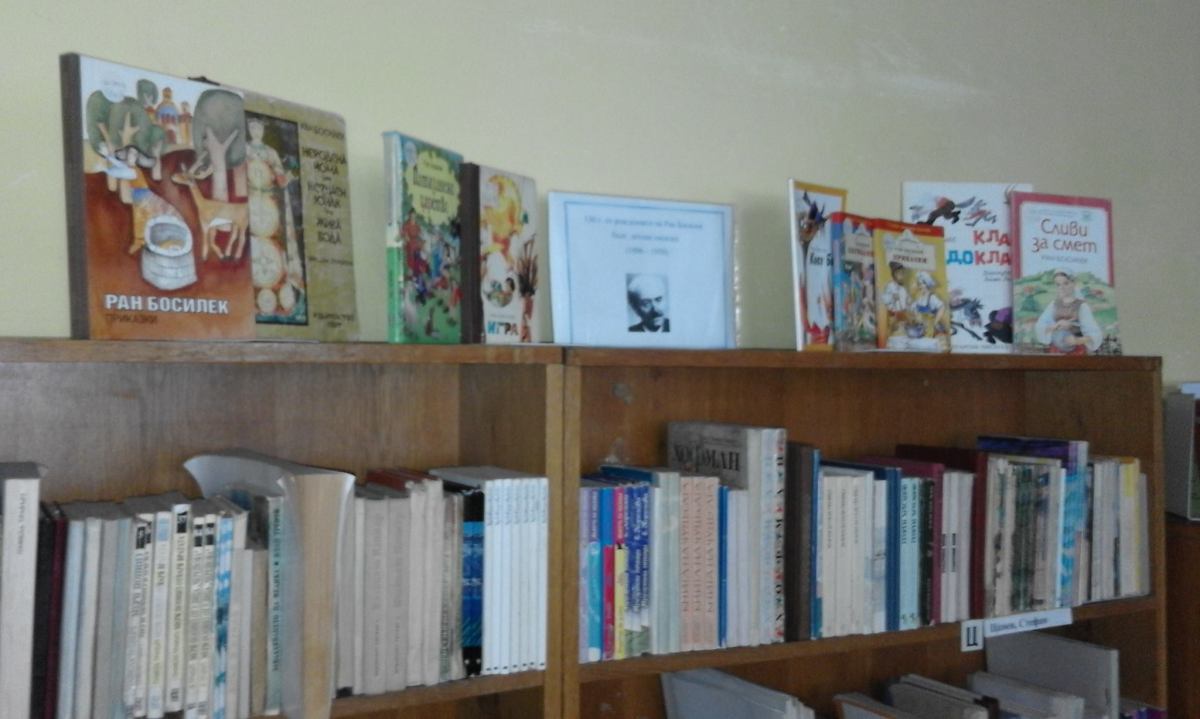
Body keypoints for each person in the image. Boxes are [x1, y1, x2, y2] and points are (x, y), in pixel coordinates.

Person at [1035, 269, 1102, 354]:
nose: (1061, 288)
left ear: (1073, 283)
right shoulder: (1054, 304)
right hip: (1056, 350)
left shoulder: (1081, 306)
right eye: (1058, 285)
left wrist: (1077, 340)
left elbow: (1094, 333)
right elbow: (1040, 326)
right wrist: (1056, 326)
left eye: (1066, 283)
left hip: (1076, 351)